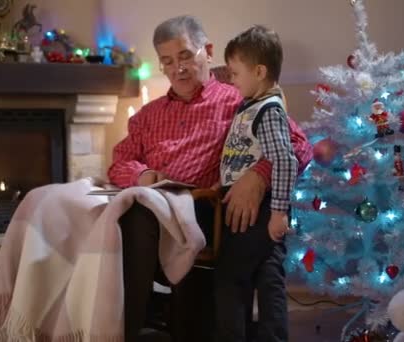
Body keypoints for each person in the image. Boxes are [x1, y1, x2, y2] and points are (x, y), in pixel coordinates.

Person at [107, 15, 313, 342]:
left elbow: (300, 146)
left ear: (208, 51)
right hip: (157, 204)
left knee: (139, 219)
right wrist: (143, 173)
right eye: (168, 61)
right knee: (96, 216)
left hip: (203, 213)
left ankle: (124, 333)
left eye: (186, 56)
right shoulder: (148, 115)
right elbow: (118, 162)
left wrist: (258, 176)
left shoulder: (241, 99)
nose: (178, 69)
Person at [212, 25, 296, 341]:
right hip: (258, 211)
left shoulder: (268, 111)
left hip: (256, 212)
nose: (231, 80)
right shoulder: (252, 101)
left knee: (230, 278)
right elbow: (228, 73)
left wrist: (277, 212)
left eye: (235, 74)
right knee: (268, 275)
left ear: (259, 71)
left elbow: (285, 160)